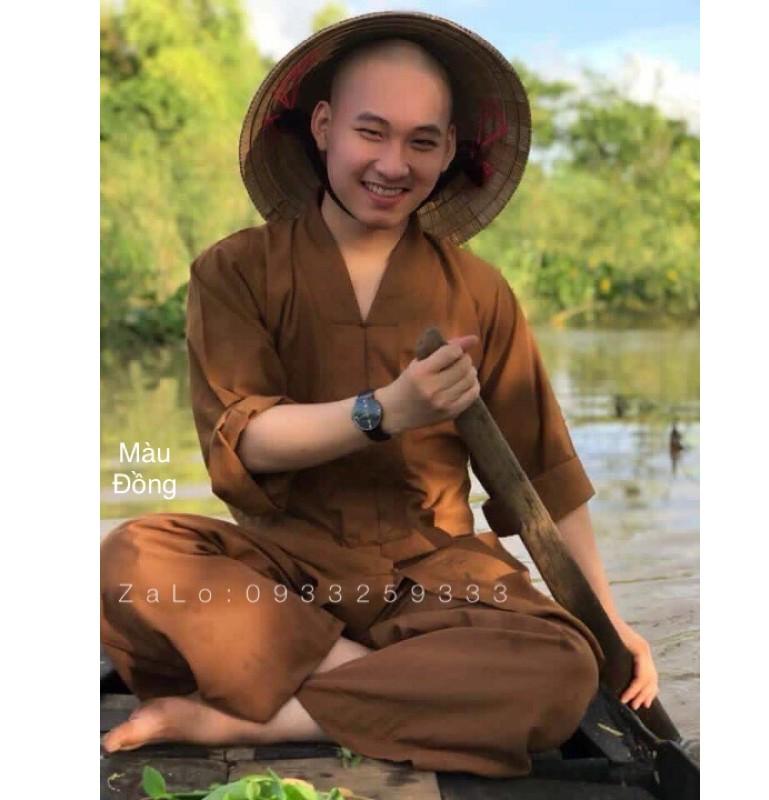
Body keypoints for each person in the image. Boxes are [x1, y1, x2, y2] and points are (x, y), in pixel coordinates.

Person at [100, 11, 658, 778]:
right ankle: (387, 688)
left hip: (438, 579)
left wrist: (609, 622)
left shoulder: (480, 292)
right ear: (324, 127)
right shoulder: (235, 271)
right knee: (132, 557)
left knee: (562, 666)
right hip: (283, 577)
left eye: (421, 142)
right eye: (372, 132)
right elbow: (246, 437)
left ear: (449, 149)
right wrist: (384, 412)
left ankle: (264, 712)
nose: (393, 164)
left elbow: (544, 481)